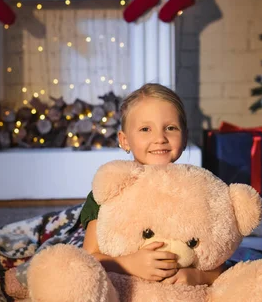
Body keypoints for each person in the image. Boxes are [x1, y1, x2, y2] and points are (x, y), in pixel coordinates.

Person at [81, 83, 225, 286]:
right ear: (124, 140)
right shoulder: (113, 190)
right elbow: (88, 259)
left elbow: (218, 262)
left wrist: (197, 276)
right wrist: (127, 264)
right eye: (145, 129)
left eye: (170, 128)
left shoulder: (194, 189)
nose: (160, 138)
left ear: (184, 138)